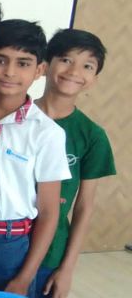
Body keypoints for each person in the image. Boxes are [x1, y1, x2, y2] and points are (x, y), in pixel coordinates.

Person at [0, 20, 71, 297]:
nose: (9, 72)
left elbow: (49, 212)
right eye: (0, 60)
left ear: (40, 70)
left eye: (23, 63)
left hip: (8, 245)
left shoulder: (47, 133)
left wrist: (24, 277)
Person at [34, 29, 116, 298]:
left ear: (93, 79)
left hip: (51, 254)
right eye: (66, 59)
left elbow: (84, 205)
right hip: (1, 245)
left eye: (87, 66)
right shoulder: (17, 118)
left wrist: (67, 268)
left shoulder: (92, 135)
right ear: (46, 64)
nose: (74, 71)